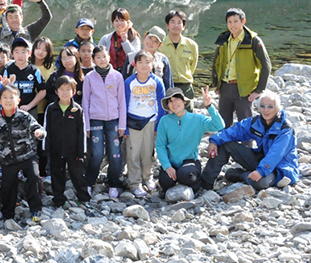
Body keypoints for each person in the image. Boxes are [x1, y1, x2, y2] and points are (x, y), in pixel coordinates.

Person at [201, 91, 298, 190]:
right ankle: (205, 183)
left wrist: (261, 171)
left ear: (277, 108)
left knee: (260, 183)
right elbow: (235, 130)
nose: (266, 110)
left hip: (281, 168)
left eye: (270, 107)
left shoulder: (285, 128)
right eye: (263, 106)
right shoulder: (256, 122)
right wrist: (214, 141)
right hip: (261, 159)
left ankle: (240, 175)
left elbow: (276, 153)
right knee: (224, 143)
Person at [0, 85, 46, 222]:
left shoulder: (24, 116)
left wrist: (39, 133)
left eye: (12, 97)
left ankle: (36, 209)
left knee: (34, 177)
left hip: (27, 155)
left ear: (18, 100)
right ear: (0, 100)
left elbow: (38, 128)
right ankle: (8, 213)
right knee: (8, 185)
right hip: (7, 158)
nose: (8, 100)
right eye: (5, 98)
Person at [155, 87, 223, 195]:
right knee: (166, 182)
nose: (174, 103)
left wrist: (209, 106)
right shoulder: (164, 121)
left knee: (185, 175)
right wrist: (167, 166)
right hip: (171, 162)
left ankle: (197, 185)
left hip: (190, 162)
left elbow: (219, 125)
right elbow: (160, 145)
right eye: (170, 101)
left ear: (184, 101)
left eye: (176, 99)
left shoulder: (197, 119)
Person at [211, 8, 272, 127]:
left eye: (235, 21)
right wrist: (216, 84)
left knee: (245, 125)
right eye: (229, 22)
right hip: (225, 87)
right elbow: (215, 63)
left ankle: (247, 146)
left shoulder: (253, 40)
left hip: (243, 89)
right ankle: (225, 146)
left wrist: (258, 90)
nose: (232, 25)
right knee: (222, 125)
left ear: (243, 21)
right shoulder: (223, 40)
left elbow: (266, 65)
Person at [82, 45, 126, 199]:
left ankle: (113, 183)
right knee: (97, 153)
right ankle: (89, 182)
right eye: (98, 57)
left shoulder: (117, 76)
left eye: (104, 56)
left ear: (109, 57)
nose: (102, 59)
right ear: (93, 59)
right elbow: (85, 102)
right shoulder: (89, 77)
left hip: (113, 120)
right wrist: (86, 125)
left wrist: (122, 124)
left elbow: (122, 101)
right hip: (95, 119)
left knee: (115, 154)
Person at [43, 76, 91, 207]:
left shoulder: (77, 110)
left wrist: (82, 152)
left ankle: (84, 199)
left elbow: (82, 131)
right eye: (61, 89)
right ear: (56, 92)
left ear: (74, 92)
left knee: (78, 176)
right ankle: (58, 200)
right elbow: (46, 129)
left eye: (68, 89)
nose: (64, 92)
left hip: (74, 151)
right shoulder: (51, 109)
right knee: (57, 175)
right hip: (55, 149)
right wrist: (46, 148)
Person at [124, 51, 166, 197]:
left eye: (147, 62)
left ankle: (147, 177)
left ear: (152, 64)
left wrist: (158, 124)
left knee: (148, 152)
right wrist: (124, 127)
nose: (143, 65)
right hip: (133, 121)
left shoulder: (156, 82)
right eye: (140, 62)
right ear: (135, 64)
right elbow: (123, 104)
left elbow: (162, 104)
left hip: (150, 120)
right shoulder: (129, 82)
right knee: (133, 152)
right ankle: (134, 182)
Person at [162, 10, 199, 106]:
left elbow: (192, 66)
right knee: (169, 116)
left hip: (185, 86)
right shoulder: (160, 45)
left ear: (183, 26)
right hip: (168, 86)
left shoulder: (192, 45)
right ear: (167, 25)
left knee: (188, 116)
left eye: (179, 22)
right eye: (173, 22)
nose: (176, 25)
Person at [4, 37, 47, 114]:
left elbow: (43, 91)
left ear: (29, 53)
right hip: (11, 110)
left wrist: (29, 106)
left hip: (30, 110)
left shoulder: (34, 71)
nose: (20, 56)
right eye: (17, 52)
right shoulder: (8, 70)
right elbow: (3, 89)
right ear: (12, 54)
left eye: (23, 52)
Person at [128, 26, 173, 90]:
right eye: (150, 38)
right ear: (145, 35)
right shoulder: (130, 57)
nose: (151, 43)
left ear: (159, 45)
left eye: (156, 41)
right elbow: (124, 81)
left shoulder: (163, 59)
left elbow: (169, 86)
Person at [98, 8, 141, 74]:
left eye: (122, 20)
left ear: (128, 22)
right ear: (112, 22)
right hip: (110, 74)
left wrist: (125, 41)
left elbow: (134, 58)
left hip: (129, 75)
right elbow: (98, 57)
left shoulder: (134, 38)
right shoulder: (106, 39)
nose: (119, 23)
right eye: (116, 21)